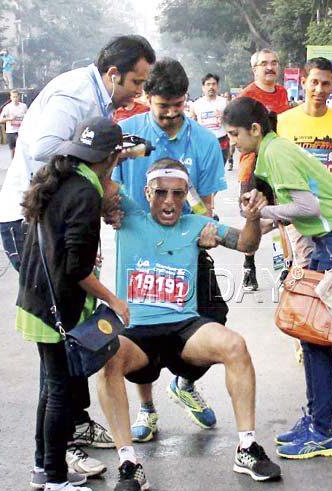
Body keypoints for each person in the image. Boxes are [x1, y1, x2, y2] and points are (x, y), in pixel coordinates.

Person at [0, 35, 155, 466]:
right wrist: (95, 180)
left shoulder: (98, 99)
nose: (138, 92)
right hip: (29, 222)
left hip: (54, 219)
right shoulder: (76, 94)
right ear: (113, 74)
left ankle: (70, 429)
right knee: (60, 338)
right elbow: (43, 148)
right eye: (136, 82)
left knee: (72, 331)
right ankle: (57, 455)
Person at [98, 157, 281, 491]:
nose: (169, 201)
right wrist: (116, 158)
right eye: (161, 193)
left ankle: (247, 446)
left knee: (235, 346)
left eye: (177, 194)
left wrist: (254, 217)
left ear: (186, 195)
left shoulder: (198, 224)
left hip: (184, 326)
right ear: (146, 191)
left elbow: (246, 244)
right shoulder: (129, 215)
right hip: (138, 332)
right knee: (107, 358)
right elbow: (98, 178)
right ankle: (128, 463)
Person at [223, 96, 332, 460]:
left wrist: (262, 210)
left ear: (255, 129)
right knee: (309, 333)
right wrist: (261, 222)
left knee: (315, 334)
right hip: (330, 236)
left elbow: (308, 207)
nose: (233, 142)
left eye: (235, 134)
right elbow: (298, 209)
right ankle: (317, 421)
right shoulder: (271, 151)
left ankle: (323, 430)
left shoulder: (275, 152)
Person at [17, 117, 130, 491]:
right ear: (112, 158)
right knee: (61, 393)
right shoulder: (83, 191)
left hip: (34, 302)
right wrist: (114, 300)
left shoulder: (63, 178)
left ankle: (42, 468)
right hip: (56, 310)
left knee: (51, 389)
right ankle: (57, 483)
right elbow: (77, 268)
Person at [114, 58, 227, 442]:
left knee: (214, 318)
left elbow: (206, 204)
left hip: (186, 251)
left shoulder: (204, 141)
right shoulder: (125, 136)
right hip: (137, 255)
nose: (173, 114)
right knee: (138, 332)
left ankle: (185, 381)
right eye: (164, 107)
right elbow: (106, 191)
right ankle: (146, 409)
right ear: (147, 97)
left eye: (179, 105)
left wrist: (205, 229)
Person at [277, 57, 332, 268]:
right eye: (314, 82)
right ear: (303, 82)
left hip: (330, 210)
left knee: (329, 272)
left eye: (325, 83)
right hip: (297, 209)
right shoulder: (283, 122)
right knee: (304, 265)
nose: (319, 89)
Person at [237, 48, 290, 291]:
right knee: (253, 215)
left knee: (282, 216)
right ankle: (249, 265)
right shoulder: (247, 97)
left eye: (274, 63)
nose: (270, 67)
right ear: (254, 69)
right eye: (264, 64)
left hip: (279, 164)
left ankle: (282, 269)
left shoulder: (282, 93)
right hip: (254, 167)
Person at [190, 73, 230, 165]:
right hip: (203, 141)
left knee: (219, 169)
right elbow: (192, 124)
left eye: (213, 84)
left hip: (221, 141)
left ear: (218, 87)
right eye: (208, 84)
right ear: (203, 87)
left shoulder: (225, 103)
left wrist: (224, 117)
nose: (211, 87)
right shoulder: (196, 104)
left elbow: (233, 121)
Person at [0, 89, 28, 159]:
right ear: (10, 97)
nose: (15, 99)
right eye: (13, 97)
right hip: (11, 131)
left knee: (22, 148)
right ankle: (13, 164)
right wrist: (10, 119)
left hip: (21, 130)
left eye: (16, 97)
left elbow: (28, 117)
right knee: (13, 149)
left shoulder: (24, 106)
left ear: (19, 97)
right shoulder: (7, 107)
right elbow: (0, 120)